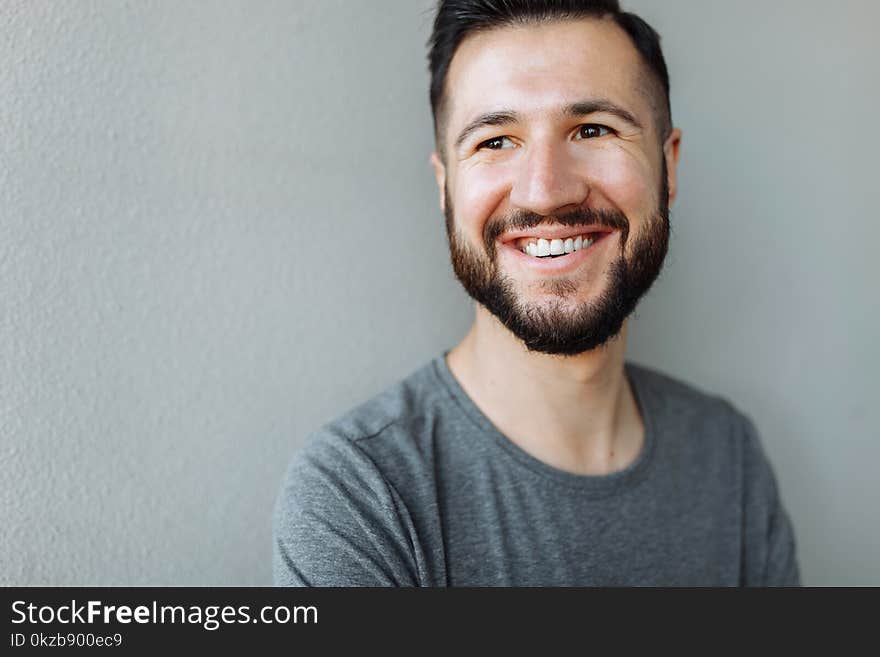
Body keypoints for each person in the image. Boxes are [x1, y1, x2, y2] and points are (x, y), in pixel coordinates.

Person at [272, 0, 801, 586]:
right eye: (496, 141)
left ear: (667, 167)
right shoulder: (362, 494)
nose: (546, 191)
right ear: (446, 188)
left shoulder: (727, 457)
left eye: (593, 129)